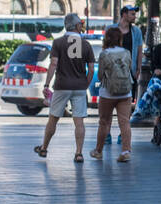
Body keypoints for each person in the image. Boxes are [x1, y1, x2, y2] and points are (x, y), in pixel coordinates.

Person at [35, 12, 96, 162]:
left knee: (53, 118)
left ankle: (44, 148)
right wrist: (85, 84)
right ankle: (79, 153)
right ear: (76, 26)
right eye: (80, 24)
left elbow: (53, 64)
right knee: (79, 121)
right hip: (80, 87)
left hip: (62, 86)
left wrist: (47, 84)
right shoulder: (86, 44)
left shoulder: (58, 43)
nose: (81, 26)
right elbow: (92, 69)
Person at [91, 26, 133, 163]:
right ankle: (125, 151)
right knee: (124, 122)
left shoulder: (105, 54)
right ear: (120, 39)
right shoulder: (127, 52)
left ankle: (98, 151)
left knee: (104, 122)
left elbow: (100, 74)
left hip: (108, 93)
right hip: (125, 93)